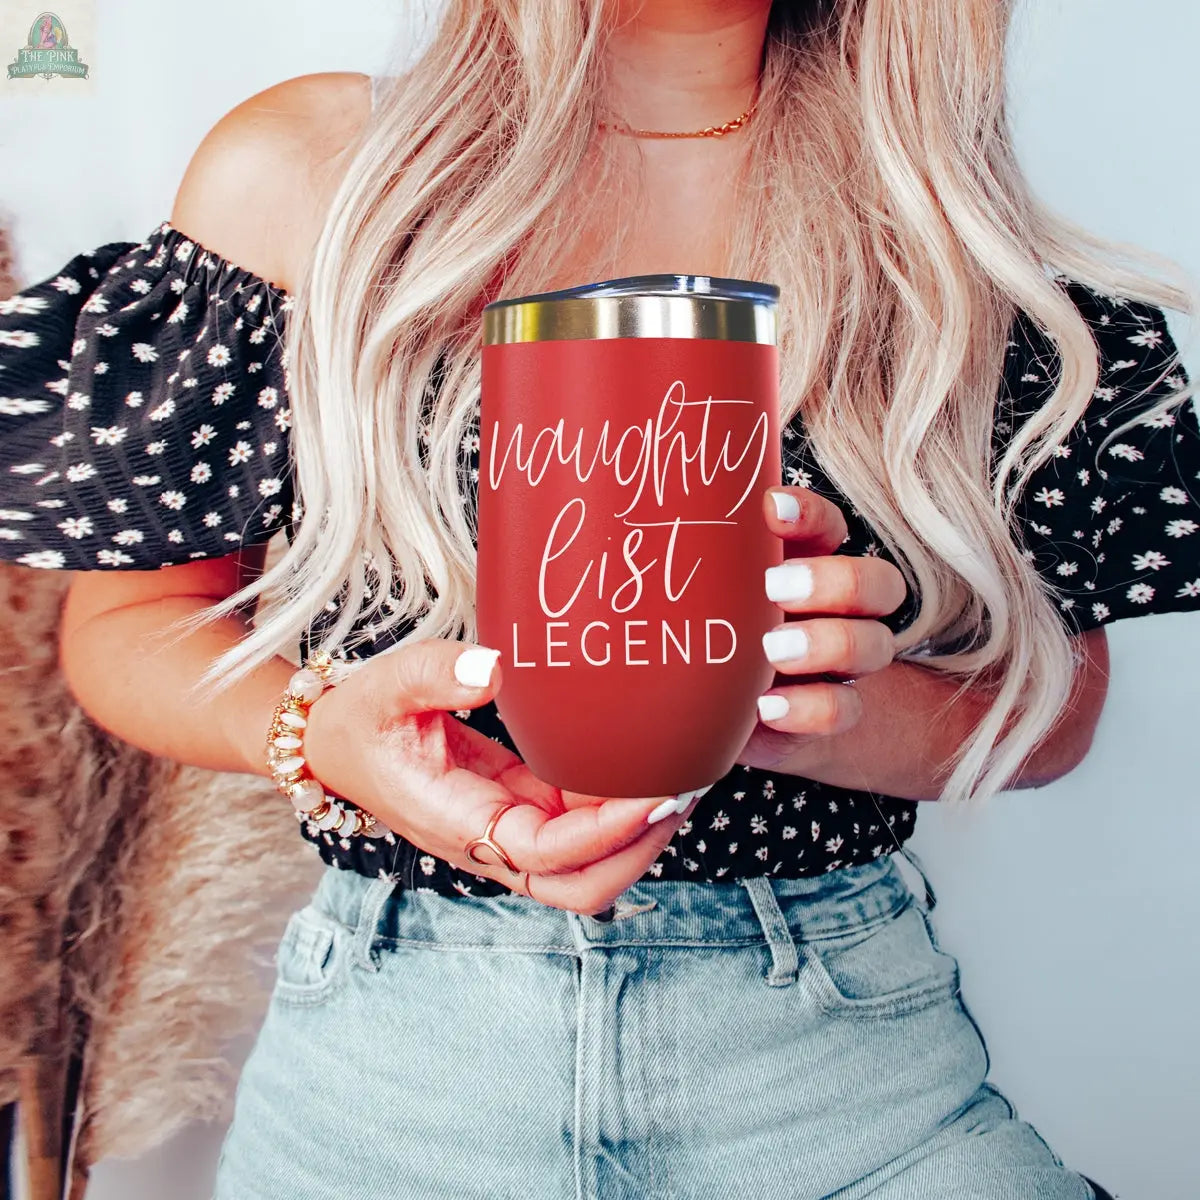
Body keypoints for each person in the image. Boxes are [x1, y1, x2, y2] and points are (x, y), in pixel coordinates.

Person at [1, 1, 1197, 1196]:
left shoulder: (930, 224)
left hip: (840, 1052)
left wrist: (837, 708)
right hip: (394, 1058)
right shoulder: (314, 173)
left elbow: (1058, 711)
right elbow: (128, 628)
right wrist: (322, 735)